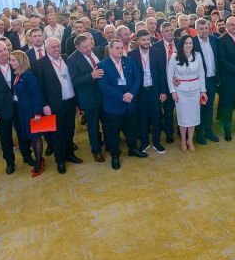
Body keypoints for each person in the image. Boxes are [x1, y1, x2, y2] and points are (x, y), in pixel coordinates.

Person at [0, 41, 35, 173]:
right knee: (5, 138)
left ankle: (27, 156)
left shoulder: (15, 62)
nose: (4, 53)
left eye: (5, 49)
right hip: (1, 110)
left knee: (23, 133)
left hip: (20, 106)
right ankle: (10, 162)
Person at [33, 38, 81, 174]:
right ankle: (60, 160)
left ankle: (70, 154)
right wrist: (44, 105)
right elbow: (39, 88)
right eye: (53, 47)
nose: (56, 49)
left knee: (70, 131)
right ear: (46, 49)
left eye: (58, 46)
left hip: (70, 102)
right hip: (54, 106)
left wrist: (78, 103)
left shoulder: (66, 59)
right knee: (57, 135)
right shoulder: (39, 64)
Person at [98, 39, 148, 170]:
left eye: (121, 48)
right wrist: (122, 97)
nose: (120, 50)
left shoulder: (129, 61)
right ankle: (115, 155)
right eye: (117, 48)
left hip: (130, 102)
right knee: (113, 133)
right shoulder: (102, 65)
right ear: (110, 49)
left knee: (131, 129)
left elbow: (137, 78)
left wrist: (131, 93)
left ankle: (133, 149)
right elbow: (104, 87)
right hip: (113, 106)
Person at [67, 34, 106, 162]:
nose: (89, 48)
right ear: (77, 47)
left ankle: (110, 143)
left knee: (107, 122)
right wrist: (91, 76)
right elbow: (75, 81)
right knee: (93, 126)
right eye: (85, 47)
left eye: (90, 45)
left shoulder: (97, 51)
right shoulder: (72, 60)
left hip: (105, 94)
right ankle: (96, 150)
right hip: (90, 98)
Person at [129, 30, 167, 153]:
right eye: (143, 40)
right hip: (140, 92)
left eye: (148, 39)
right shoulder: (131, 55)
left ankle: (156, 143)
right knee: (142, 119)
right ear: (138, 40)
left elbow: (162, 73)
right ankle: (144, 143)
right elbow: (131, 77)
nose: (146, 42)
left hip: (155, 91)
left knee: (156, 118)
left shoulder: (158, 52)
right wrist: (133, 93)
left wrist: (163, 91)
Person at [167, 35, 207, 151]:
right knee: (183, 118)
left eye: (190, 43)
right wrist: (173, 92)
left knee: (193, 117)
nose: (189, 45)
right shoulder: (174, 57)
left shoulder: (197, 55)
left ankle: (190, 140)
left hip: (195, 91)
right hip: (181, 92)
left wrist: (203, 91)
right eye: (186, 43)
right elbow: (169, 76)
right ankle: (183, 140)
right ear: (181, 45)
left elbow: (201, 74)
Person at [9, 50, 45, 177]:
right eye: (10, 60)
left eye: (13, 60)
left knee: (36, 137)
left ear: (21, 61)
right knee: (31, 137)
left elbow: (37, 95)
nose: (10, 62)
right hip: (23, 112)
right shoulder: (18, 75)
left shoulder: (29, 75)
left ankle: (39, 162)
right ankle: (39, 159)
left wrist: (37, 113)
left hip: (32, 112)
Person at [193, 18, 220, 144]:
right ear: (196, 30)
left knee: (209, 107)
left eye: (206, 28)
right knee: (199, 108)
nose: (204, 31)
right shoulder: (192, 42)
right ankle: (199, 133)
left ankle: (208, 131)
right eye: (201, 28)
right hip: (198, 81)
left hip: (212, 80)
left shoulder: (215, 40)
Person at [153, 22, 177, 144]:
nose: (170, 32)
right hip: (165, 84)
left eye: (171, 30)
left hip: (182, 82)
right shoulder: (156, 47)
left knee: (183, 109)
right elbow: (156, 70)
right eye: (167, 30)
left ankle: (182, 130)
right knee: (168, 111)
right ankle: (169, 133)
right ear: (162, 33)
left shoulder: (181, 43)